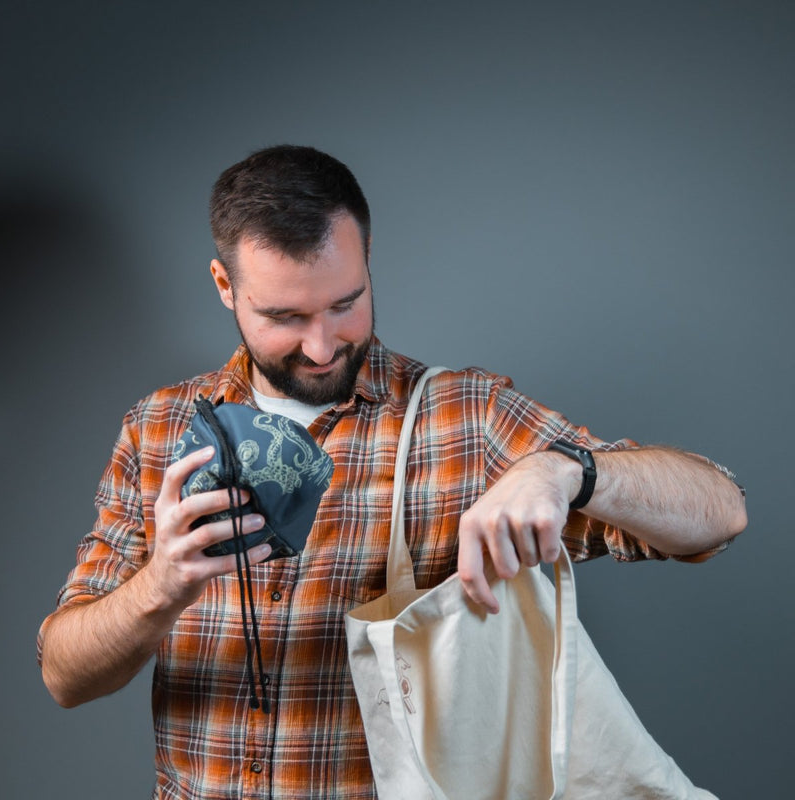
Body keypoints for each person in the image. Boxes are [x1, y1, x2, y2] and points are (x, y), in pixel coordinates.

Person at [38, 145, 747, 799]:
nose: (322, 346)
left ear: (367, 257)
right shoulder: (158, 427)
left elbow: (719, 512)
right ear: (226, 285)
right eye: (285, 317)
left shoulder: (463, 418)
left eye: (344, 304)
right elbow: (65, 677)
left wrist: (566, 471)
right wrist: (161, 585)